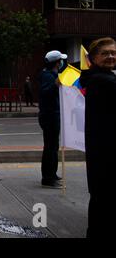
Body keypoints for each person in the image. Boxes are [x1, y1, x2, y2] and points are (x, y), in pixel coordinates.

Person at [79, 37, 116, 238]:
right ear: (93, 57)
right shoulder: (103, 80)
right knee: (105, 198)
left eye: (113, 52)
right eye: (105, 53)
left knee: (101, 198)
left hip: (101, 148)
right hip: (107, 150)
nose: (111, 56)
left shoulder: (99, 77)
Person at [38, 50, 67, 189]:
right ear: (56, 62)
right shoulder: (47, 76)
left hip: (53, 114)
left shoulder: (53, 74)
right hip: (49, 116)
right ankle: (47, 178)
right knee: (50, 147)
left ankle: (52, 174)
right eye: (60, 60)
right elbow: (45, 93)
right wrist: (55, 84)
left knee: (53, 146)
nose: (62, 62)